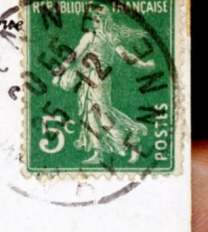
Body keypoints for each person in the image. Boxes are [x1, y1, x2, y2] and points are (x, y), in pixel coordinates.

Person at [52, 3, 156, 166]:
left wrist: (144, 65)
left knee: (104, 115)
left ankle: (132, 142)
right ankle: (98, 153)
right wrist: (60, 72)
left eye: (98, 19)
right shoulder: (90, 36)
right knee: (90, 116)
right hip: (87, 78)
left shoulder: (110, 37)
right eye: (94, 19)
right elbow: (75, 55)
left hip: (100, 79)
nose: (95, 22)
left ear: (105, 20)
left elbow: (126, 57)